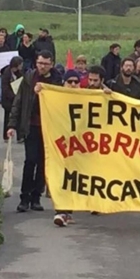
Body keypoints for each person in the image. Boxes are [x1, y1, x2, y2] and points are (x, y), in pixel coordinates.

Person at [7, 50, 63, 212]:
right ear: (36, 63)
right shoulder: (29, 77)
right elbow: (18, 102)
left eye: (46, 64)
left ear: (51, 64)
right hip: (31, 125)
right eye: (40, 63)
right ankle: (24, 198)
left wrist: (46, 89)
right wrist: (12, 125)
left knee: (43, 162)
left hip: (49, 127)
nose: (43, 67)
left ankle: (36, 197)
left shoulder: (57, 79)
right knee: (30, 161)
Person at [52, 69, 84, 227]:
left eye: (75, 82)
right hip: (61, 147)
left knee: (77, 179)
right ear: (63, 83)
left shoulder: (88, 99)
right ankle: (61, 211)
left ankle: (68, 210)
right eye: (69, 81)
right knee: (62, 177)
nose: (72, 84)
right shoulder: (55, 99)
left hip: (83, 148)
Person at [1, 56, 25, 141]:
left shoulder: (20, 73)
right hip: (8, 99)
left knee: (18, 116)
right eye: (20, 64)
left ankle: (20, 136)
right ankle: (6, 136)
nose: (21, 66)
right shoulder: (6, 73)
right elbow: (5, 88)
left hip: (16, 98)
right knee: (8, 117)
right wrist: (13, 96)